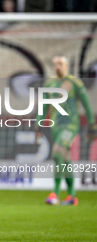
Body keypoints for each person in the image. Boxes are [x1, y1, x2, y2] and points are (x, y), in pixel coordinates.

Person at [36, 55, 96, 206]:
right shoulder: (49, 84)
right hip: (55, 126)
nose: (57, 66)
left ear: (66, 66)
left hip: (70, 125)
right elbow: (43, 107)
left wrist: (92, 124)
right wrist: (38, 125)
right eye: (55, 64)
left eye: (60, 63)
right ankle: (72, 196)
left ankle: (55, 193)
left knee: (57, 152)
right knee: (65, 159)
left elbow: (87, 104)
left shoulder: (74, 82)